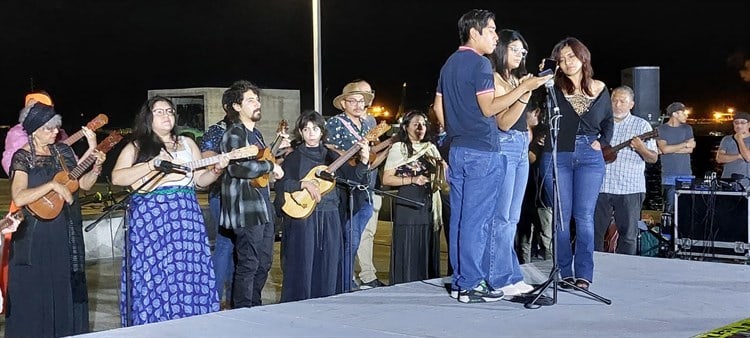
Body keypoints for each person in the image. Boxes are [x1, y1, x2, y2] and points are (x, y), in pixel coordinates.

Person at [434, 9, 540, 303]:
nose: (495, 35)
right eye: (491, 30)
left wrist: (453, 131)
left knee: (459, 218)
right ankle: (471, 283)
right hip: (482, 149)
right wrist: (523, 89)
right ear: (474, 32)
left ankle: (460, 281)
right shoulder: (479, 64)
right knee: (477, 221)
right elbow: (490, 109)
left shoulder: (449, 64)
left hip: (458, 149)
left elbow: (437, 106)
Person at [111, 96, 225, 325]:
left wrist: (217, 171)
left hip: (185, 217)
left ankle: (190, 323)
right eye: (159, 111)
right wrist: (151, 164)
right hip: (152, 219)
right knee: (156, 272)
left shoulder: (187, 143)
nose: (166, 115)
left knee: (186, 270)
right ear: (148, 117)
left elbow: (200, 181)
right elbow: (117, 177)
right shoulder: (137, 146)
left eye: (170, 111)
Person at [6, 103, 105, 337]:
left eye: (56, 128)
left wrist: (96, 166)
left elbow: (82, 184)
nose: (55, 133)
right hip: (33, 235)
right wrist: (51, 185)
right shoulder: (22, 157)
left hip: (64, 231)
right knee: (35, 292)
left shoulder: (63, 152)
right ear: (34, 130)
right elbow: (19, 196)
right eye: (49, 129)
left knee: (62, 287)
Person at [539, 37, 613, 290]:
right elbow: (540, 112)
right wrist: (545, 71)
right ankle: (563, 271)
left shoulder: (601, 88)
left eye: (572, 56)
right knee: (561, 216)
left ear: (583, 57)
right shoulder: (552, 88)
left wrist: (602, 142)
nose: (568, 62)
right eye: (562, 58)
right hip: (558, 154)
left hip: (590, 157)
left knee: (584, 217)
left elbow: (608, 122)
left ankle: (584, 274)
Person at [275, 110, 370, 302]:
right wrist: (302, 184)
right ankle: (300, 303)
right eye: (306, 129)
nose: (311, 133)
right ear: (300, 133)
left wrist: (365, 161)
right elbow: (280, 184)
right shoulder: (294, 158)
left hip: (331, 216)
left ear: (322, 132)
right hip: (304, 219)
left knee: (329, 262)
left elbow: (354, 179)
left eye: (315, 129)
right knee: (303, 264)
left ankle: (327, 303)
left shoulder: (331, 156)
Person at [485, 29, 549, 298]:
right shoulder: (496, 78)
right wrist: (524, 90)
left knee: (512, 217)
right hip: (505, 147)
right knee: (501, 218)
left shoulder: (514, 79)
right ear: (501, 49)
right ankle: (498, 276)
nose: (521, 54)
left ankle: (510, 273)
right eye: (515, 49)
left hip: (521, 146)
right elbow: (503, 122)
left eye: (523, 51)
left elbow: (523, 119)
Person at [219, 80, 284, 308]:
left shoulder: (255, 134)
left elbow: (259, 165)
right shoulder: (234, 134)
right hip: (245, 208)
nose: (258, 103)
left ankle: (254, 306)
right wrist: (270, 167)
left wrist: (271, 167)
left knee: (264, 262)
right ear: (236, 106)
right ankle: (243, 310)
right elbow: (236, 167)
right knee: (248, 262)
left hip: (263, 206)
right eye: (251, 100)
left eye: (257, 99)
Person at [593, 86, 658, 255]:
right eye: (614, 100)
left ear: (632, 104)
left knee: (628, 235)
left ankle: (626, 270)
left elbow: (653, 158)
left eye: (623, 101)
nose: (617, 104)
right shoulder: (600, 123)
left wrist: (641, 148)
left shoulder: (641, 125)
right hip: (601, 186)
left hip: (629, 188)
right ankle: (593, 268)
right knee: (594, 233)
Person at [382, 110, 444, 284]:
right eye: (416, 124)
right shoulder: (398, 148)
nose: (420, 128)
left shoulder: (430, 147)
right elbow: (387, 178)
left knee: (426, 240)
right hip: (408, 200)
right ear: (405, 127)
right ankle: (405, 281)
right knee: (408, 241)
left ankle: (426, 281)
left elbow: (441, 177)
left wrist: (441, 168)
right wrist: (412, 179)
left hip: (428, 200)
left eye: (423, 124)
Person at [325, 82, 375, 292]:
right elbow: (327, 147)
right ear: (343, 103)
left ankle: (346, 280)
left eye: (361, 102)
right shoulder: (336, 123)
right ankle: (343, 284)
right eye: (352, 101)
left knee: (353, 240)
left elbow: (370, 158)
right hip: (344, 188)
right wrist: (349, 159)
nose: (357, 105)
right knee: (347, 240)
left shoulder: (366, 126)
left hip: (363, 187)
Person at [351, 79, 388, 290]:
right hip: (355, 186)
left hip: (371, 184)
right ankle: (360, 275)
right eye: (363, 93)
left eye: (370, 92)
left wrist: (389, 146)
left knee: (369, 232)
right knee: (358, 232)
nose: (368, 97)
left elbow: (372, 155)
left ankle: (367, 274)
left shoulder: (372, 121)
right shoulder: (347, 123)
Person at [199, 109, 234, 308]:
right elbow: (207, 158)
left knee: (237, 246)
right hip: (221, 194)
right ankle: (215, 298)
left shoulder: (249, 131)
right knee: (224, 244)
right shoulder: (216, 130)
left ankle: (233, 297)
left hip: (243, 196)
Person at [656, 102, 695, 214]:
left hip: (687, 175)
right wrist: (684, 144)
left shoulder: (688, 128)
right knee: (669, 210)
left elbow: (690, 149)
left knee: (687, 210)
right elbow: (664, 149)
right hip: (668, 175)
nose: (686, 116)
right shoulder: (661, 129)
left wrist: (668, 149)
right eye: (684, 113)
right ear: (675, 114)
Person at [716, 111, 750, 181]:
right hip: (727, 181)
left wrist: (739, 139)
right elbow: (719, 158)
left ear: (749, 124)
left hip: (747, 183)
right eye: (736, 123)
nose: (739, 125)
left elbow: (748, 157)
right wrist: (738, 156)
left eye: (743, 123)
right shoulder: (727, 139)